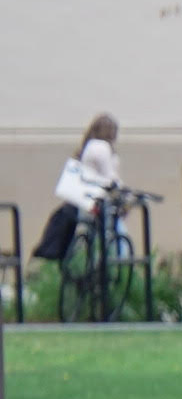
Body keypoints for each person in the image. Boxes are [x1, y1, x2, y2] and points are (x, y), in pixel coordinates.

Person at [38, 114, 117, 301]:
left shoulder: (87, 146)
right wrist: (119, 189)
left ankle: (82, 272)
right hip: (96, 201)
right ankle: (102, 279)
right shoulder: (102, 148)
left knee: (84, 237)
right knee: (109, 241)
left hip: (82, 202)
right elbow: (109, 177)